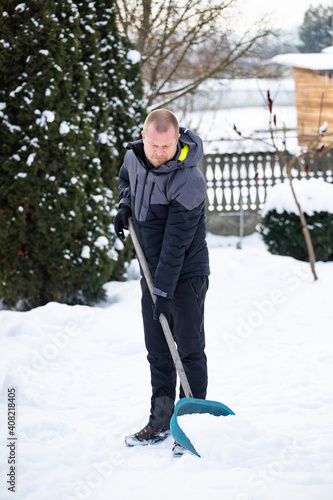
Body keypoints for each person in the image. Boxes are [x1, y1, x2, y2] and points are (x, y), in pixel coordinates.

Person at [114, 109, 210, 455]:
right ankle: (161, 419)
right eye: (152, 146)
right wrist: (124, 206)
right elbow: (126, 179)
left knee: (187, 349)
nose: (158, 153)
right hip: (151, 270)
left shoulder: (189, 180)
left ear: (177, 140)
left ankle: (193, 424)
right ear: (143, 138)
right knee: (158, 349)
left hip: (184, 273)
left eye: (165, 147)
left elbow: (176, 245)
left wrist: (164, 292)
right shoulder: (134, 157)